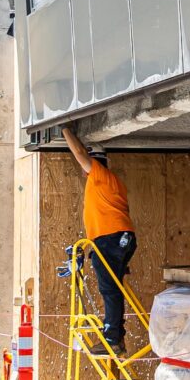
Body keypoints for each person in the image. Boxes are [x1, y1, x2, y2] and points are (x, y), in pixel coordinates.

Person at [63, 125, 135, 351]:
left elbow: (80, 154)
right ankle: (115, 335)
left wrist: (64, 128)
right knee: (112, 286)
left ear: (95, 163)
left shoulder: (100, 176)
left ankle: (112, 339)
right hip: (120, 238)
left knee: (109, 288)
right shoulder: (109, 181)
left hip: (111, 239)